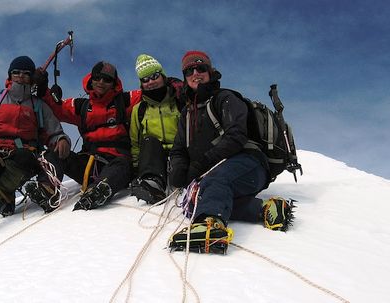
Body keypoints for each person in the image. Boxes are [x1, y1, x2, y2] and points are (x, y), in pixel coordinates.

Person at [167, 50, 289, 253]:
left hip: (250, 163)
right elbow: (179, 148)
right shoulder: (186, 114)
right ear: (185, 77)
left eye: (201, 68)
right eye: (189, 70)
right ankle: (265, 209)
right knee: (196, 200)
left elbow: (236, 136)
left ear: (210, 71)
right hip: (216, 172)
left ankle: (210, 224)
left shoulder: (225, 98)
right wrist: (179, 171)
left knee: (214, 182)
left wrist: (201, 164)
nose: (196, 73)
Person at [0, 55, 71, 239]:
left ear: (32, 77)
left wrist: (61, 140)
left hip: (25, 155)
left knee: (24, 159)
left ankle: (6, 192)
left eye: (26, 73)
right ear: (10, 75)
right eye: (16, 72)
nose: (20, 76)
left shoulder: (38, 106)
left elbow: (54, 132)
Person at [38, 61, 141, 210]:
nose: (101, 82)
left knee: (123, 165)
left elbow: (150, 89)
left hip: (117, 161)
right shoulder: (81, 107)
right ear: (91, 79)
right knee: (56, 153)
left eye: (107, 80)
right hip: (89, 163)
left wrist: (172, 84)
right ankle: (46, 189)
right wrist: (42, 88)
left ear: (114, 84)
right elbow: (57, 109)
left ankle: (99, 191)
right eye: (97, 78)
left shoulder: (125, 101)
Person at [128, 54, 184, 204]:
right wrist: (135, 167)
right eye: (145, 79)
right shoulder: (139, 109)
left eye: (154, 76)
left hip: (179, 152)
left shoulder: (179, 101)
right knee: (149, 140)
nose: (150, 82)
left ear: (163, 76)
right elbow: (135, 141)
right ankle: (153, 184)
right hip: (153, 156)